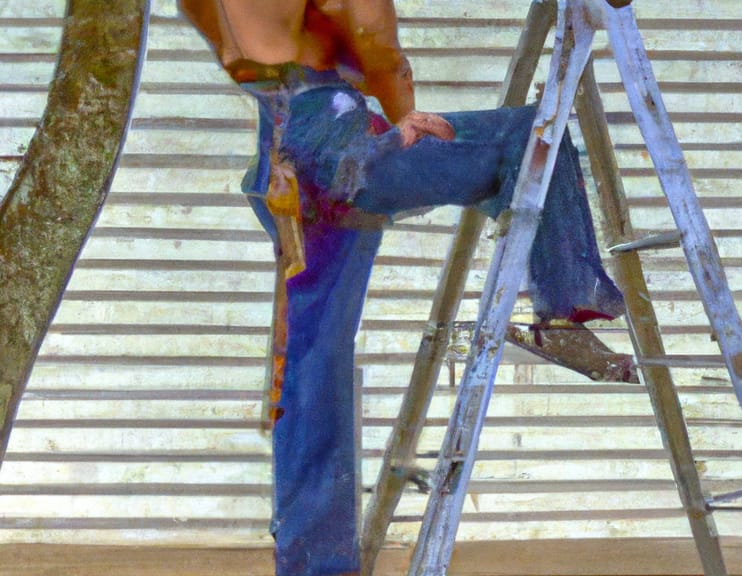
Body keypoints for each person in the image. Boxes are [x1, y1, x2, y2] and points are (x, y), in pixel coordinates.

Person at [179, 2, 633, 574]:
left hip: (283, 168)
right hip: (347, 155)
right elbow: (376, 41)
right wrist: (403, 115)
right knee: (529, 130)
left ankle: (316, 563)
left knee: (314, 364)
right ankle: (567, 308)